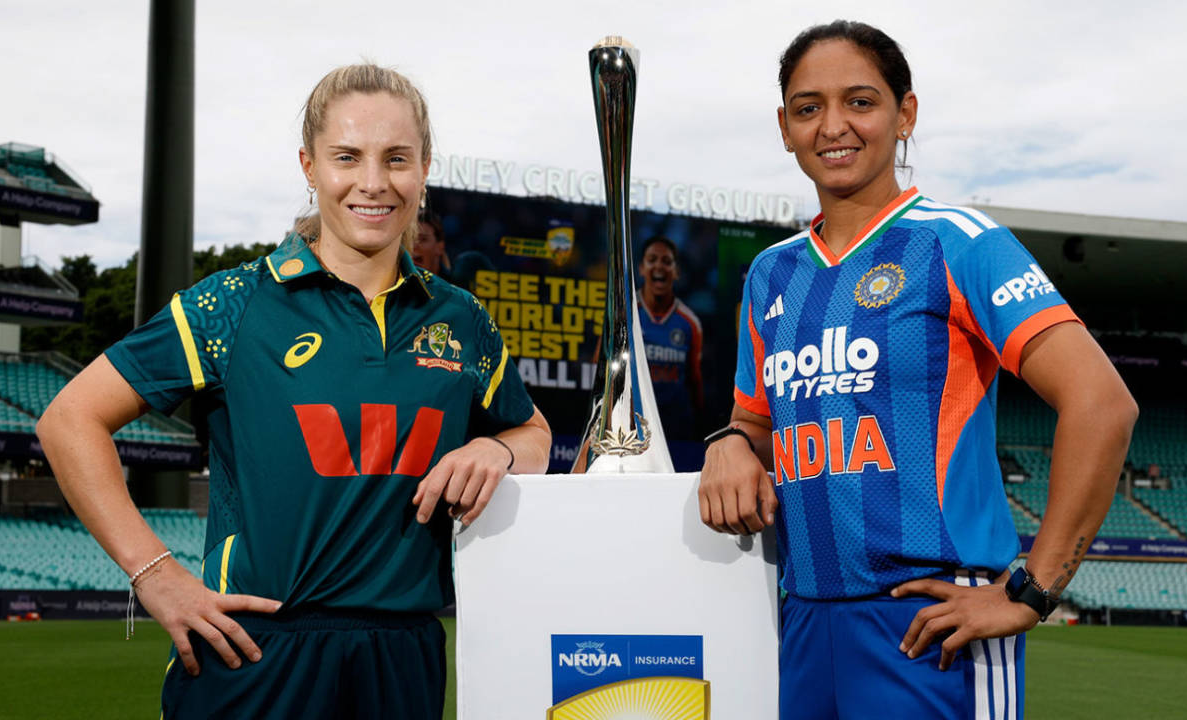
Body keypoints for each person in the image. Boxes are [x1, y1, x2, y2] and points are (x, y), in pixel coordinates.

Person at [36, 63, 551, 719]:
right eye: (347, 157)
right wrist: (156, 576)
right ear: (309, 167)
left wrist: (499, 453)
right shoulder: (235, 304)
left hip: (405, 653)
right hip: (255, 654)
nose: (373, 182)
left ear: (424, 169)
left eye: (397, 158)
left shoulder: (461, 319)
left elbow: (534, 433)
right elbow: (69, 419)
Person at [697, 21, 1136, 719]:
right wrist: (727, 443)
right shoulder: (769, 275)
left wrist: (1032, 590)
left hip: (933, 623)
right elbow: (755, 422)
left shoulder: (959, 242)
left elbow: (1102, 404)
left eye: (861, 102)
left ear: (906, 114)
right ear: (785, 127)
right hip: (802, 623)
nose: (833, 126)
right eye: (809, 108)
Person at [637, 236, 704, 443]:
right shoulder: (625, 314)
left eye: (666, 261)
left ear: (676, 272)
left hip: (675, 428)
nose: (659, 266)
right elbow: (599, 366)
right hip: (633, 426)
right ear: (641, 268)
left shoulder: (689, 323)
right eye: (652, 259)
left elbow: (695, 381)